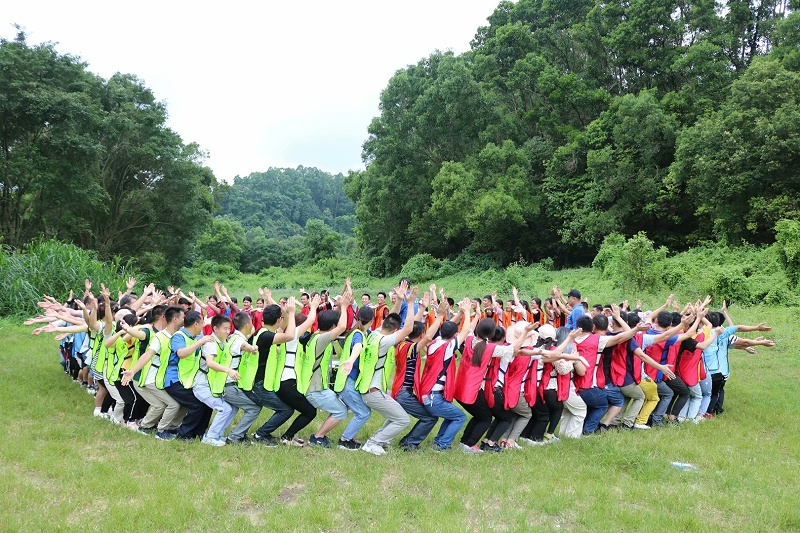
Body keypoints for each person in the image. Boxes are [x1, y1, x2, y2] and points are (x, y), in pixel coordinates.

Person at [348, 284, 418, 455]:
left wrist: (400, 299)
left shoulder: (374, 334)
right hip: (373, 392)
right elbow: (409, 328)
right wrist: (410, 304)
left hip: (370, 388)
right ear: (395, 330)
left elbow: (392, 318)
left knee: (396, 415)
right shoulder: (384, 341)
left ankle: (379, 440)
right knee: (403, 419)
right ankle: (374, 442)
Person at [417, 298, 476, 451]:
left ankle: (439, 442)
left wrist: (461, 313)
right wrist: (468, 313)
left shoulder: (436, 342)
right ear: (454, 335)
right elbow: (465, 331)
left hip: (429, 394)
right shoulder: (448, 348)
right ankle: (442, 445)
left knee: (452, 414)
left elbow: (451, 327)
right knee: (460, 417)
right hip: (434, 398)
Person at [121, 306, 187, 440]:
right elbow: (147, 355)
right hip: (151, 378)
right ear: (175, 319)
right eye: (183, 317)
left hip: (162, 378)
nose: (185, 319)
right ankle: (159, 430)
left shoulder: (176, 336)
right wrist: (133, 371)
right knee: (172, 405)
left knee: (167, 404)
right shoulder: (159, 337)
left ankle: (152, 426)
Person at [391, 296, 448, 451]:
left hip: (400, 390)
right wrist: (440, 317)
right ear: (421, 334)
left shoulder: (402, 343)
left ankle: (402, 440)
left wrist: (422, 308)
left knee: (394, 419)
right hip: (403, 393)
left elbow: (412, 326)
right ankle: (409, 443)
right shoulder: (411, 348)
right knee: (429, 418)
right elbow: (429, 336)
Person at [297, 293, 352, 448]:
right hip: (314, 390)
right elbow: (342, 327)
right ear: (332, 328)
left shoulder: (316, 335)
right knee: (341, 411)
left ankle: (321, 435)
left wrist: (340, 309)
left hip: (317, 387)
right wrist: (345, 307)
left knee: (340, 407)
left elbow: (338, 325)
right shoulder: (322, 339)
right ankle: (318, 437)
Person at [246, 296, 297, 446]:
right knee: (286, 410)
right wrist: (292, 313)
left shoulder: (263, 332)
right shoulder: (267, 336)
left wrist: (286, 311)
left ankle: (262, 433)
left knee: (285, 408)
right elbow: (289, 335)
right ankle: (260, 434)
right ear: (278, 320)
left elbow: (284, 325)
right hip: (258, 385)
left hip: (258, 382)